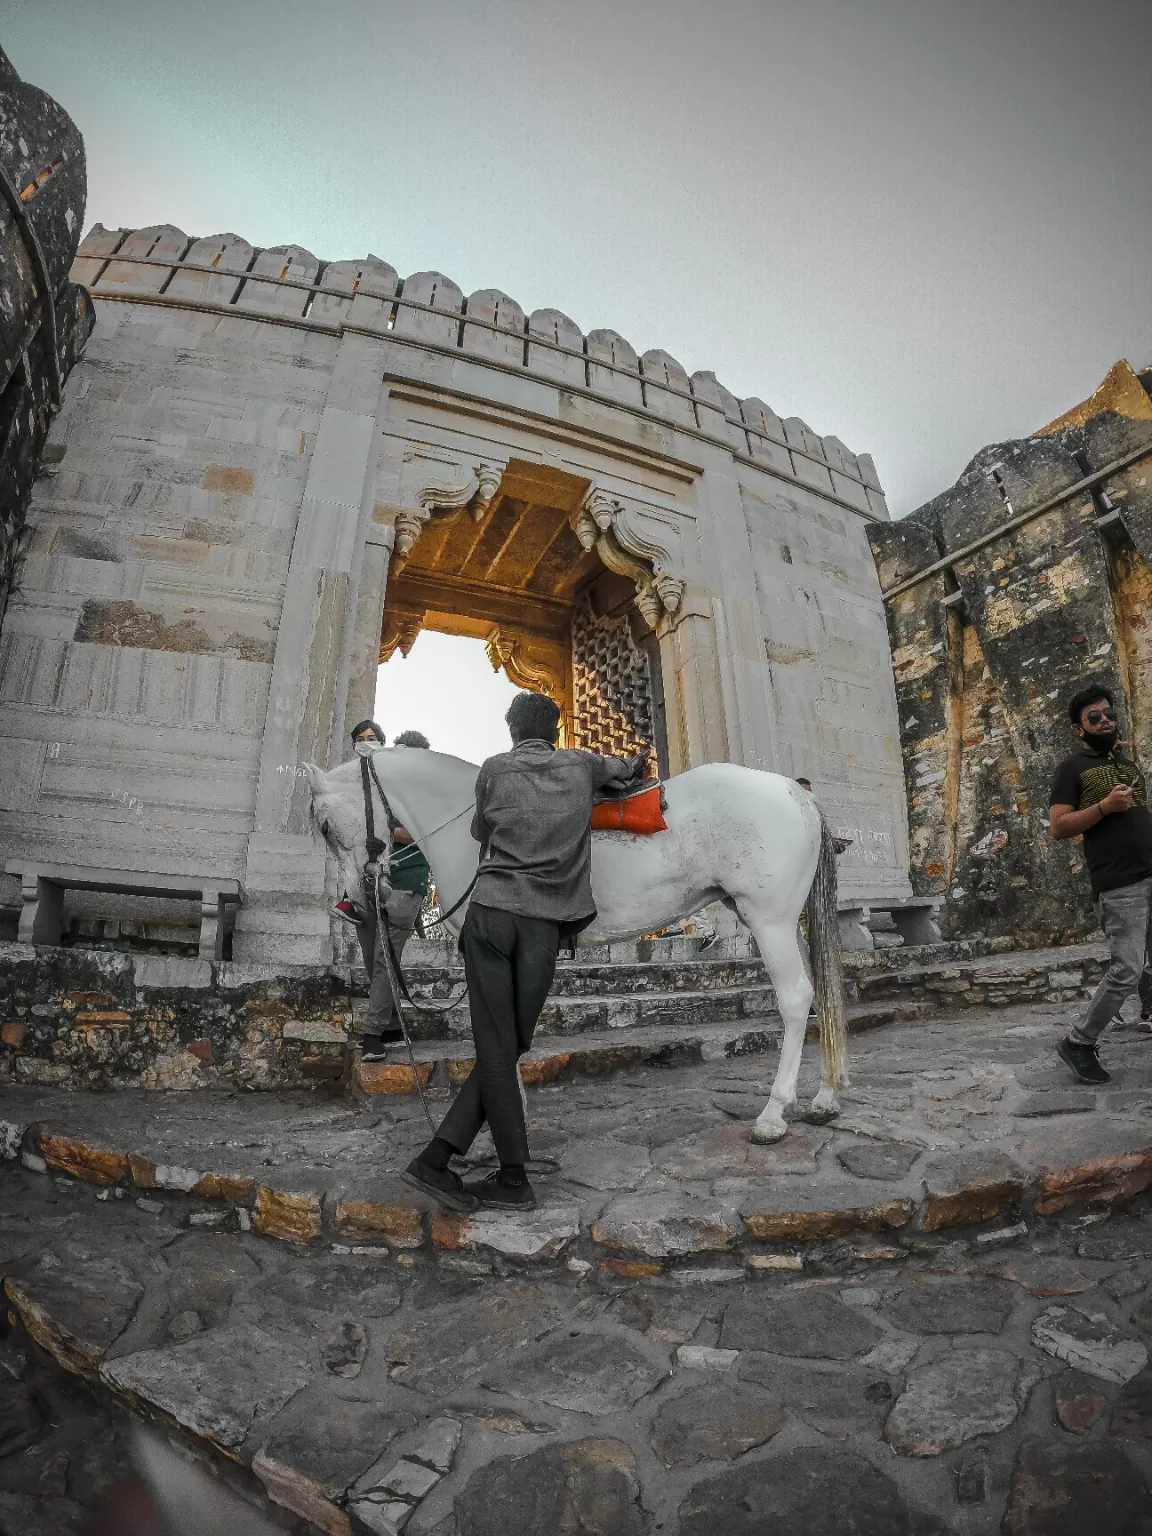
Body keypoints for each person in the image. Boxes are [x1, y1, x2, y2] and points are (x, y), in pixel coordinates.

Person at [403, 691, 646, 1212]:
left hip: (490, 916)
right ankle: (505, 1174)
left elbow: (479, 831)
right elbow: (623, 772)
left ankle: (440, 1159)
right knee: (508, 1046)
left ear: (513, 730)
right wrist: (632, 763)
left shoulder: (493, 768)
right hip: (543, 927)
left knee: (500, 1047)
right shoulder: (580, 765)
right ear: (556, 730)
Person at [1050, 684, 1152, 1083]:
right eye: (1094, 716)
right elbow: (1058, 827)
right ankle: (1079, 1042)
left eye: (1108, 712)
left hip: (1149, 871)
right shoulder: (1072, 768)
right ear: (1080, 728)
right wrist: (1104, 807)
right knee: (1126, 968)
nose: (1104, 719)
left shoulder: (1128, 765)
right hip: (1119, 883)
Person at [339, 720, 433, 1062]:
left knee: (384, 960)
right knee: (372, 960)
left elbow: (424, 836)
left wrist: (388, 830)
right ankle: (391, 1023)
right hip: (370, 884)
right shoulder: (383, 789)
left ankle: (373, 1035)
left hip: (407, 883)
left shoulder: (427, 794)